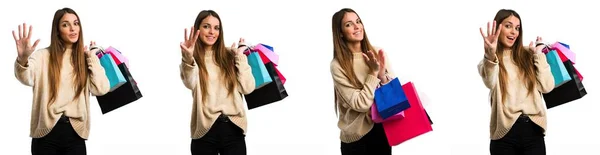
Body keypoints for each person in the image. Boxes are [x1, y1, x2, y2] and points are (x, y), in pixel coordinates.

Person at [13, 7, 110, 155]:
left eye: (76, 23)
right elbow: (26, 77)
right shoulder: (43, 56)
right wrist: (22, 59)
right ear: (57, 30)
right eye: (65, 24)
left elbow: (101, 89)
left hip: (75, 134)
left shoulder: (84, 59)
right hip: (47, 135)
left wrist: (92, 57)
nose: (72, 28)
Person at [477, 9, 555, 155]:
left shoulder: (528, 55)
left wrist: (538, 54)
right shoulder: (490, 61)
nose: (514, 32)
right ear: (497, 28)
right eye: (508, 26)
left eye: (517, 28)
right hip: (504, 135)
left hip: (533, 131)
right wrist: (490, 54)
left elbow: (547, 86)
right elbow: (490, 82)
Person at [179, 10, 256, 155]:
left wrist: (240, 56)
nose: (211, 32)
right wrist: (188, 58)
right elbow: (190, 83)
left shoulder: (230, 55)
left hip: (233, 128)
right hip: (205, 131)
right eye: (206, 26)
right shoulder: (193, 58)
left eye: (216, 28)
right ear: (198, 29)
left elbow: (248, 87)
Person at [330, 8, 396, 155]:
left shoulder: (378, 52)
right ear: (340, 32)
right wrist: (372, 73)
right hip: (355, 138)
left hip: (382, 130)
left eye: (358, 21)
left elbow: (393, 96)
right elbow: (360, 104)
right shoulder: (338, 65)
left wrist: (382, 76)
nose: (356, 26)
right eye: (348, 24)